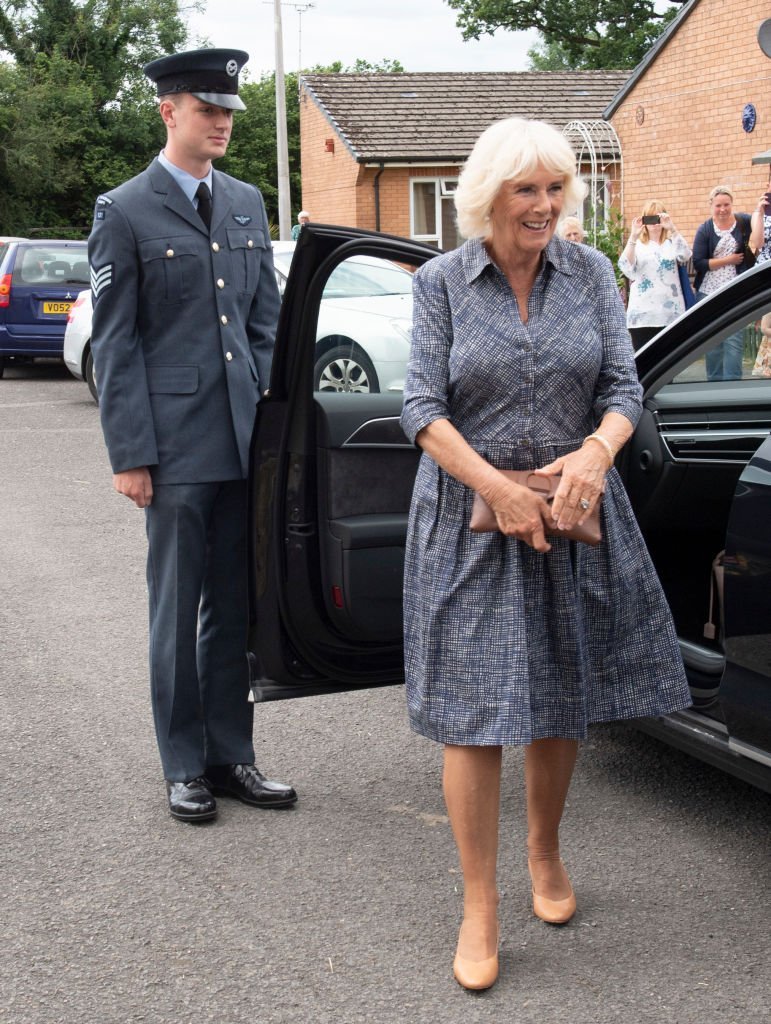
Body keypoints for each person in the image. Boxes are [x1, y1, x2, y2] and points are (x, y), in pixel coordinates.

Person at [400, 117, 691, 992]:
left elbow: (621, 387)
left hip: (573, 511)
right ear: (489, 193)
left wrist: (597, 455)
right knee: (472, 711)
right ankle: (479, 902)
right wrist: (493, 486)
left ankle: (545, 854)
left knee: (560, 691)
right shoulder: (443, 283)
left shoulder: (592, 271)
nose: (545, 205)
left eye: (556, 188)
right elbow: (420, 406)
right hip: (470, 520)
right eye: (527, 189)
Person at [88, 48, 297, 823]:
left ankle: (231, 754)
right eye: (208, 110)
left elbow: (264, 328)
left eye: (229, 112)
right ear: (168, 111)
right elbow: (115, 344)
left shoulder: (244, 200)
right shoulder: (125, 209)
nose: (222, 123)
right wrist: (132, 454)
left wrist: (277, 431)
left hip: (243, 443)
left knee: (233, 611)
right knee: (177, 611)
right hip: (172, 449)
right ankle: (183, 765)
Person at [692, 186, 753, 380]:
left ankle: (733, 389)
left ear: (732, 204)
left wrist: (761, 209)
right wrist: (728, 260)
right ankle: (714, 385)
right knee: (713, 342)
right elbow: (699, 263)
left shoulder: (744, 222)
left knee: (734, 339)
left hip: (735, 290)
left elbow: (760, 235)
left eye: (727, 204)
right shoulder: (705, 229)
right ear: (711, 206)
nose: (723, 209)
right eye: (718, 205)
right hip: (709, 291)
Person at [618, 200, 692, 350]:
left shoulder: (671, 243)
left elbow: (685, 255)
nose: (655, 223)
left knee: (670, 361)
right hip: (643, 315)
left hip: (670, 314)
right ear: (644, 220)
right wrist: (633, 236)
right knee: (645, 362)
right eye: (650, 218)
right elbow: (626, 267)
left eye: (658, 218)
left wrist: (673, 229)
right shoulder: (638, 245)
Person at [750, 188, 771, 265]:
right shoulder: (757, 214)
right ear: (769, 186)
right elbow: (758, 244)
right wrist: (760, 214)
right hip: (765, 267)